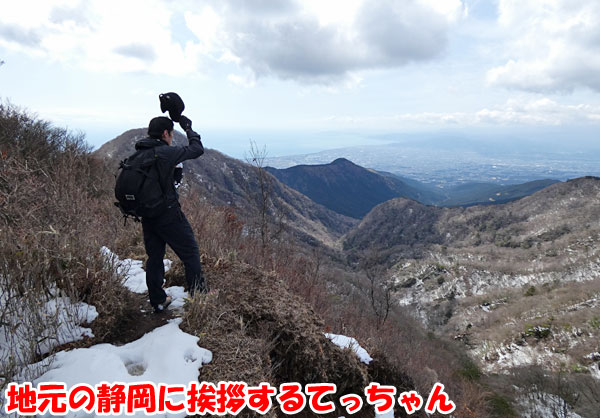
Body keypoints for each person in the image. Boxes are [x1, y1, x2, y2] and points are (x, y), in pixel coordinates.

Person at [135, 115, 207, 312]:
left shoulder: (140, 154)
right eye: (172, 134)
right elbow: (197, 149)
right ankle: (199, 297)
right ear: (166, 133)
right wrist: (189, 128)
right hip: (167, 214)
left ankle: (158, 300)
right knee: (190, 252)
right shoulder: (165, 153)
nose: (172, 138)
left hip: (148, 215)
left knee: (155, 256)